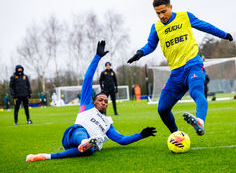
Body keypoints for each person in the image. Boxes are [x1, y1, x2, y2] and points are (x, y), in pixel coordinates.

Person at [26, 41, 156, 162]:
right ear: (94, 102)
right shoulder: (87, 106)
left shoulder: (107, 123)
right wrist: (97, 57)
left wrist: (141, 134)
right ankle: (85, 142)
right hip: (73, 135)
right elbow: (88, 79)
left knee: (90, 150)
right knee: (82, 134)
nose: (104, 102)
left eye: (106, 101)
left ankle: (46, 156)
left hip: (88, 147)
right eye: (100, 100)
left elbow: (122, 139)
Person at [127, 0, 233, 136]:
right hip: (176, 73)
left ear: (170, 7)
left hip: (192, 65)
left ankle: (200, 121)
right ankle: (176, 135)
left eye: (163, 11)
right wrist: (140, 52)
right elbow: (151, 45)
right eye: (158, 13)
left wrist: (223, 34)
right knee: (162, 108)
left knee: (197, 92)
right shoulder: (156, 27)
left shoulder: (184, 17)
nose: (161, 16)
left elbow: (205, 26)